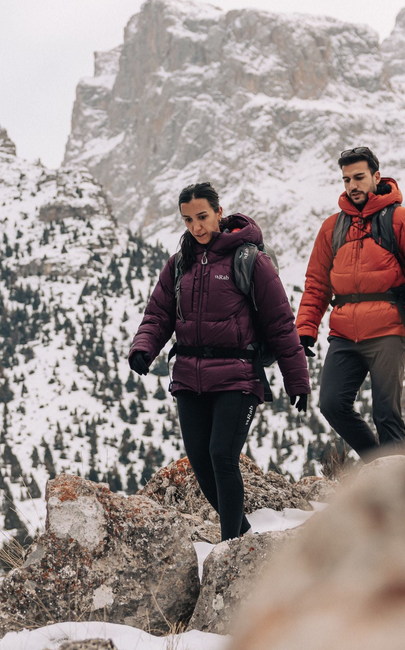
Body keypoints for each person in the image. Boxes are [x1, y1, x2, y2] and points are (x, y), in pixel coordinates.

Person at [128, 182, 310, 542]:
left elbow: (280, 323)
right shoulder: (179, 263)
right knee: (201, 462)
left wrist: (297, 381)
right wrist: (143, 347)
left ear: (219, 212)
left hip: (238, 375)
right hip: (188, 377)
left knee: (222, 456)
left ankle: (229, 549)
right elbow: (159, 314)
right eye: (188, 220)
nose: (196, 227)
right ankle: (242, 536)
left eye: (202, 217)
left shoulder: (250, 261)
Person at [296, 146, 405, 458]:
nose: (352, 185)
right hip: (343, 334)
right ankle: (379, 464)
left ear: (376, 177)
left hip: (388, 331)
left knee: (386, 413)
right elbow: (317, 283)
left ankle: (399, 480)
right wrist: (305, 329)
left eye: (359, 177)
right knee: (332, 404)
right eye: (346, 179)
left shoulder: (402, 220)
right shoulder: (332, 227)